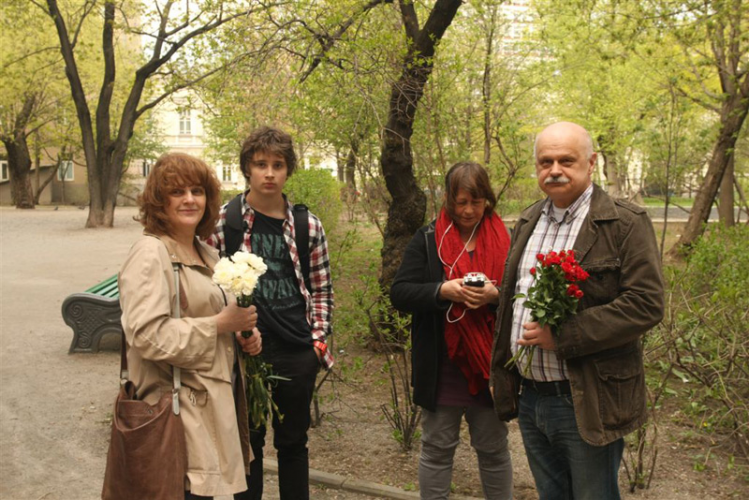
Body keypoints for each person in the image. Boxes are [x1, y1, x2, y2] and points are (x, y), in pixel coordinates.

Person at [490, 122, 665, 500]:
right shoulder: (528, 220)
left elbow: (646, 303)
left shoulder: (624, 222)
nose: (554, 170)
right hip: (532, 396)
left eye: (566, 160)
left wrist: (564, 335)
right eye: (545, 161)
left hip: (585, 397)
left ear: (591, 162)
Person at [118, 153, 262, 499]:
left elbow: (214, 321)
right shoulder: (151, 253)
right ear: (158, 200)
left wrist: (242, 333)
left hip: (211, 407)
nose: (189, 200)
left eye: (197, 191)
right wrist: (217, 325)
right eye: (177, 192)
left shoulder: (206, 252)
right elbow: (145, 336)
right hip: (175, 414)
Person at [207, 126, 334, 500]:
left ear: (288, 170)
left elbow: (322, 288)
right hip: (245, 353)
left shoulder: (306, 225)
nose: (269, 173)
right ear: (247, 167)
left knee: (294, 444)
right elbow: (209, 288)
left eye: (278, 165)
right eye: (260, 164)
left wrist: (318, 344)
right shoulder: (223, 222)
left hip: (297, 350)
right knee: (249, 446)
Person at [390, 162, 513, 499]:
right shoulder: (429, 238)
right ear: (447, 199)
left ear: (487, 198)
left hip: (488, 363)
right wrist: (442, 290)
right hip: (443, 363)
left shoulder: (507, 238)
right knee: (437, 448)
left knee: (493, 449)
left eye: (477, 202)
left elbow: (521, 295)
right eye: (460, 202)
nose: (469, 210)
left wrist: (494, 296)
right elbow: (399, 292)